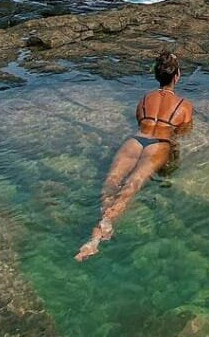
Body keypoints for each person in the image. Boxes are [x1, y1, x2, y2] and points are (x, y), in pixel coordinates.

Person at [75, 50, 193, 261]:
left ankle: (102, 222)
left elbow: (140, 121)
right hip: (159, 144)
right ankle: (97, 237)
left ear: (157, 75)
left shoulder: (145, 99)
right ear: (177, 76)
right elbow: (182, 132)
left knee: (111, 182)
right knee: (132, 186)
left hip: (135, 141)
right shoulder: (184, 105)